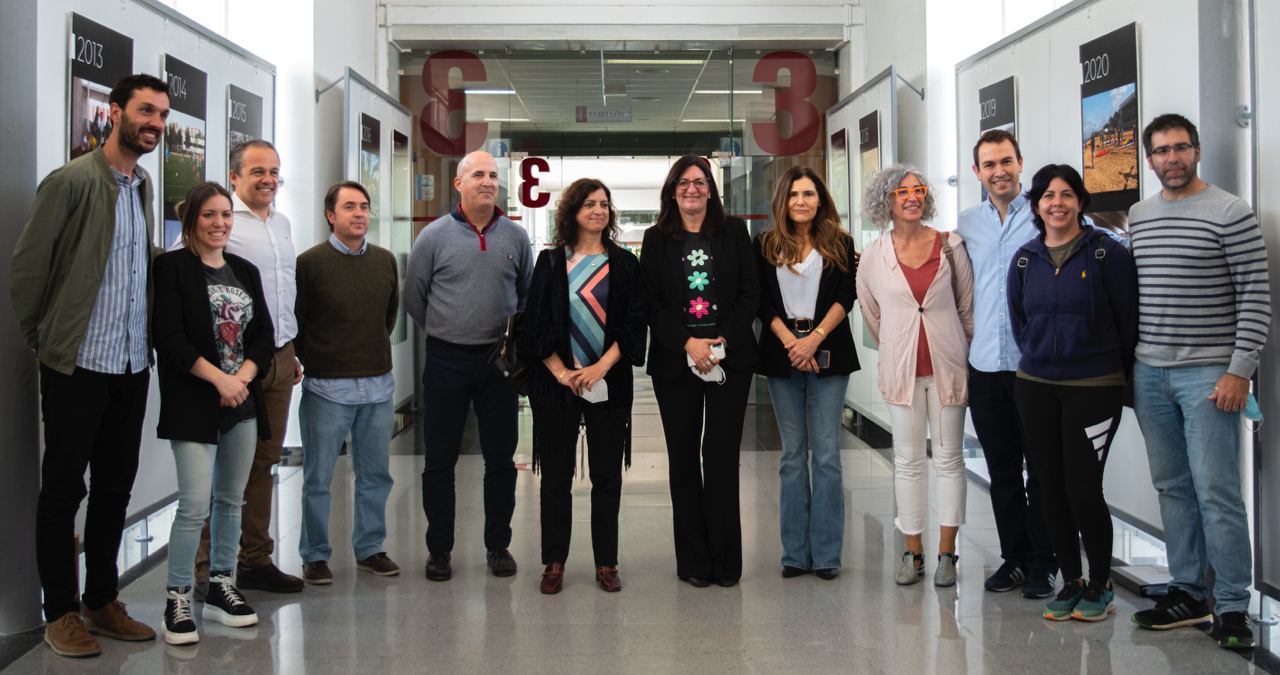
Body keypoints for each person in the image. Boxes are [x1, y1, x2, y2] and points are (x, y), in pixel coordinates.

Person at [10, 73, 169, 658]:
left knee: (114, 487)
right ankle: (62, 613)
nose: (154, 123)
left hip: (130, 363)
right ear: (115, 113)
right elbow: (29, 268)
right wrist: (40, 337)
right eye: (145, 111)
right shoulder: (72, 181)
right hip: (77, 363)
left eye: (161, 115)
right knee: (62, 491)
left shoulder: (142, 185)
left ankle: (103, 599)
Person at [1128, 114, 1271, 649]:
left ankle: (1234, 604)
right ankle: (1189, 591)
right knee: (1172, 487)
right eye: (1161, 150)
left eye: (1181, 147)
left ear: (1198, 150)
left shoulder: (1230, 212)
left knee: (1217, 491)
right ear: (1149, 159)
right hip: (1150, 372)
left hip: (1211, 374)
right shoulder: (1140, 215)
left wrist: (1240, 370)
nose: (1172, 158)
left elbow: (1256, 296)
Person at [1006, 164, 1137, 622]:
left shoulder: (1107, 255)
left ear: (1080, 202)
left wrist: (1107, 370)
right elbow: (1021, 323)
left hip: (1094, 387)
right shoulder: (1025, 259)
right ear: (1036, 205)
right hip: (1036, 386)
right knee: (1050, 488)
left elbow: (1127, 323)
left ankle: (1100, 583)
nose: (1056, 203)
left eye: (1066, 194)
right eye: (1047, 196)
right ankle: (1071, 580)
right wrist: (1041, 360)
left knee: (1083, 488)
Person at [152, 182, 272, 644]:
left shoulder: (244, 269)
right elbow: (170, 337)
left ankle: (223, 584)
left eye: (225, 215)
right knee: (194, 504)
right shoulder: (172, 268)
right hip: (194, 402)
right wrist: (218, 379)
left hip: (241, 401)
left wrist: (239, 378)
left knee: (231, 500)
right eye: (209, 215)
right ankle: (178, 596)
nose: (220, 223)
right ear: (191, 221)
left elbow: (262, 334)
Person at [406, 151, 533, 581]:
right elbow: (414, 298)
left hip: (498, 364)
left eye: (494, 176)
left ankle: (498, 546)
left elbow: (526, 294)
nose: (487, 181)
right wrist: (447, 329)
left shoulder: (515, 237)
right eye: (478, 174)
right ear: (458, 184)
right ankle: (438, 549)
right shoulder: (433, 237)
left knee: (501, 460)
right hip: (446, 361)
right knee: (440, 460)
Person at [520, 178, 647, 594]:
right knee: (555, 476)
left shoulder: (625, 264)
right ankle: (554, 561)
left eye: (604, 204)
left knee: (607, 476)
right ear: (572, 211)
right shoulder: (551, 262)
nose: (598, 210)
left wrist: (601, 368)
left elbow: (633, 324)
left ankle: (606, 562)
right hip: (556, 384)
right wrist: (561, 373)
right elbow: (534, 325)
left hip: (607, 383)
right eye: (589, 204)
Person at [191, 139, 305, 597]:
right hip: (231, 363)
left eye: (275, 171)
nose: (269, 179)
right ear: (235, 176)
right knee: (221, 464)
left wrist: (290, 351)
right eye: (258, 171)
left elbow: (280, 292)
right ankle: (205, 568)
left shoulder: (281, 222)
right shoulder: (221, 222)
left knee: (264, 461)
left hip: (278, 355)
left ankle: (254, 558)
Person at [642, 155, 759, 588]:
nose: (692, 189)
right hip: (676, 362)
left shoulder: (733, 232)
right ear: (672, 191)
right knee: (684, 460)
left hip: (729, 359)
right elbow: (652, 302)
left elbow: (750, 293)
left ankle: (726, 562)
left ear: (711, 188)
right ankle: (693, 561)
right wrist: (688, 343)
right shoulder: (656, 239)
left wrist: (721, 340)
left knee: (723, 457)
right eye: (683, 183)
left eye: (700, 182)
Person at [856, 165, 974, 588]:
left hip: (947, 369)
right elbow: (872, 313)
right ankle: (913, 551)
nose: (912, 197)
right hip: (902, 373)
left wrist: (960, 350)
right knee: (906, 461)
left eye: (918, 190)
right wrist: (897, 344)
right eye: (902, 191)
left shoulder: (949, 245)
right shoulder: (874, 255)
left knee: (948, 459)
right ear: (886, 200)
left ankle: (947, 553)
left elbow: (965, 308)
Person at [955, 130, 1058, 598]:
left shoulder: (1045, 214)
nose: (999, 171)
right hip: (984, 366)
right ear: (977, 172)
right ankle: (1013, 557)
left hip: (1033, 366)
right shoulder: (968, 222)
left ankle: (1044, 562)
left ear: (1020, 163)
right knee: (1000, 470)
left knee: (1041, 470)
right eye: (989, 164)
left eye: (1006, 162)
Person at [754, 166, 858, 580]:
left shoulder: (840, 243)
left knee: (828, 456)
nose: (801, 201)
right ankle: (795, 553)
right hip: (783, 354)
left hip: (828, 350)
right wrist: (792, 343)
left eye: (809, 194)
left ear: (820, 200)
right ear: (783, 200)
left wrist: (813, 340)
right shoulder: (763, 244)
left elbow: (846, 296)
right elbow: (762, 302)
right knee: (793, 457)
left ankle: (828, 554)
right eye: (794, 194)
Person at [295, 181, 401, 584]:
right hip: (327, 389)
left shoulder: (385, 261)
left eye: (364, 207)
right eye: (350, 207)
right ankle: (316, 555)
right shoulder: (310, 262)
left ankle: (370, 548)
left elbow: (388, 317)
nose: (359, 214)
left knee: (376, 476)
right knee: (318, 478)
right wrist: (315, 359)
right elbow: (298, 319)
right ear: (331, 215)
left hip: (377, 387)